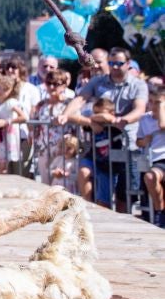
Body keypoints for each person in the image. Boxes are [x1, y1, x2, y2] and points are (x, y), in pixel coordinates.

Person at [61, 47, 147, 212]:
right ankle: (93, 218)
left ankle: (122, 228)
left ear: (128, 64)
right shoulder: (98, 81)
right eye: (112, 63)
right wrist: (65, 114)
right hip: (102, 147)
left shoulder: (138, 85)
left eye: (119, 63)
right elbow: (80, 98)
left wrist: (124, 120)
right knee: (101, 193)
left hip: (127, 146)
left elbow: (139, 109)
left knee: (124, 195)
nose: (114, 67)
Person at [32, 68, 74, 184]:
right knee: (45, 183)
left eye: (55, 84)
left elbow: (75, 128)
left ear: (64, 85)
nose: (51, 87)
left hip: (62, 150)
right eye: (48, 83)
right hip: (43, 149)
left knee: (60, 183)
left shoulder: (69, 104)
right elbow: (35, 126)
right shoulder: (41, 105)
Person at [137, 82, 165, 228]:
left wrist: (161, 108)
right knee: (150, 177)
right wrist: (145, 140)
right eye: (152, 102)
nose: (154, 105)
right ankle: (160, 211)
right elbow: (138, 141)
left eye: (158, 102)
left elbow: (162, 125)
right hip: (156, 159)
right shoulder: (145, 119)